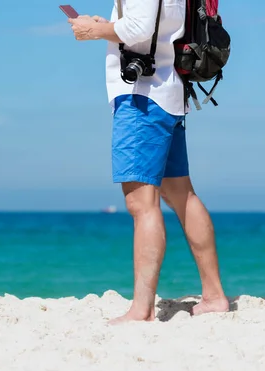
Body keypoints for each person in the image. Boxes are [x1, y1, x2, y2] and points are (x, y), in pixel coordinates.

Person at [68, 0, 229, 322]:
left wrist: (95, 30)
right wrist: (109, 23)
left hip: (142, 97)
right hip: (168, 91)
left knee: (141, 203)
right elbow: (155, 27)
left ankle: (141, 310)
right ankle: (213, 296)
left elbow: (139, 30)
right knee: (181, 195)